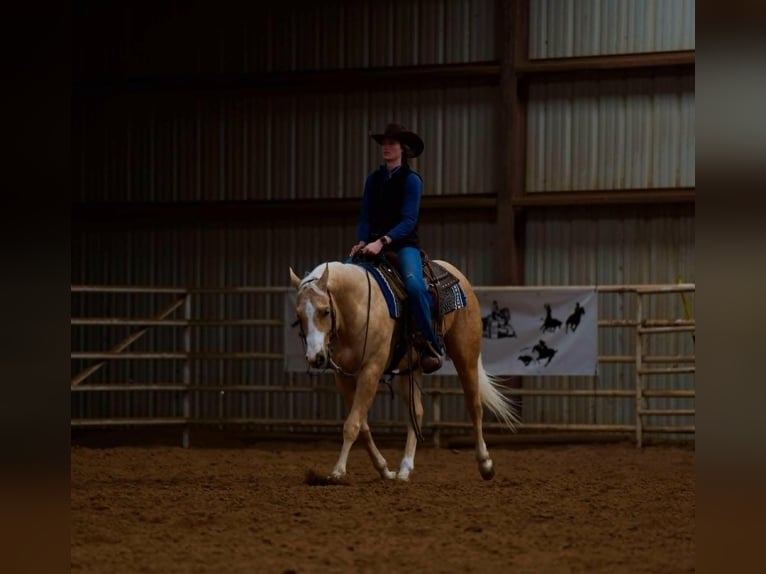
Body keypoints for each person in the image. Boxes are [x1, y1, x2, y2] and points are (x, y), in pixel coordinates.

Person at [348, 123, 444, 374]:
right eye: (384, 143)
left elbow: (409, 220)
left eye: (392, 143)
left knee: (413, 285)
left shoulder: (412, 181)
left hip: (403, 246)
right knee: (343, 277)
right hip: (371, 244)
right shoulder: (373, 179)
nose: (386, 147)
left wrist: (383, 241)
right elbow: (365, 216)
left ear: (403, 149)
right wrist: (361, 240)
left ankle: (429, 344)